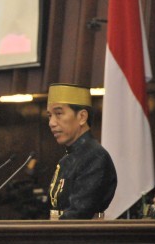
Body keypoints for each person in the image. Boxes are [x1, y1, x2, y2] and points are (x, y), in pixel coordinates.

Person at [46, 83, 117, 220]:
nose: (52, 123)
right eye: (49, 116)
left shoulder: (95, 157)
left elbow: (79, 212)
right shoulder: (67, 159)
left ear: (82, 117)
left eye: (58, 114)